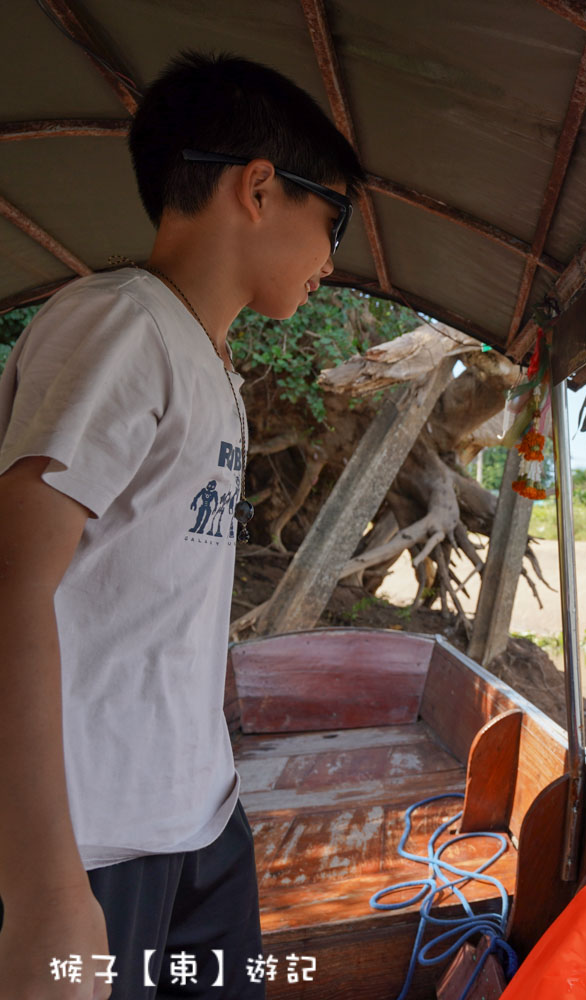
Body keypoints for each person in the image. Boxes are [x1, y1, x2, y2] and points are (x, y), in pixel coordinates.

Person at [0, 53, 362, 999]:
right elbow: (11, 581)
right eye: (335, 221)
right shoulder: (121, 327)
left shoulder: (209, 368)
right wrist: (44, 891)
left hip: (198, 824)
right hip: (97, 845)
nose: (333, 259)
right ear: (257, 188)